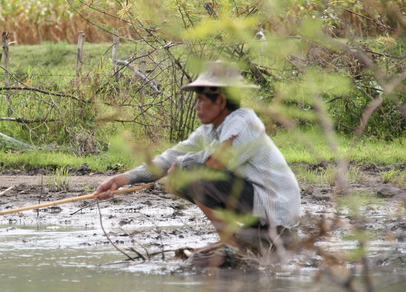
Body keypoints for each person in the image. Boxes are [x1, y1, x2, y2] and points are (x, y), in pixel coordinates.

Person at [94, 60, 300, 260]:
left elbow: (216, 164)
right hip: (256, 205)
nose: (197, 106)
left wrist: (183, 164)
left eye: (201, 100)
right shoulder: (209, 131)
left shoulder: (244, 122)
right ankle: (237, 239)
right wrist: (120, 181)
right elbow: (168, 159)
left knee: (188, 172)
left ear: (220, 101)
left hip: (274, 206)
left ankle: (231, 244)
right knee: (182, 172)